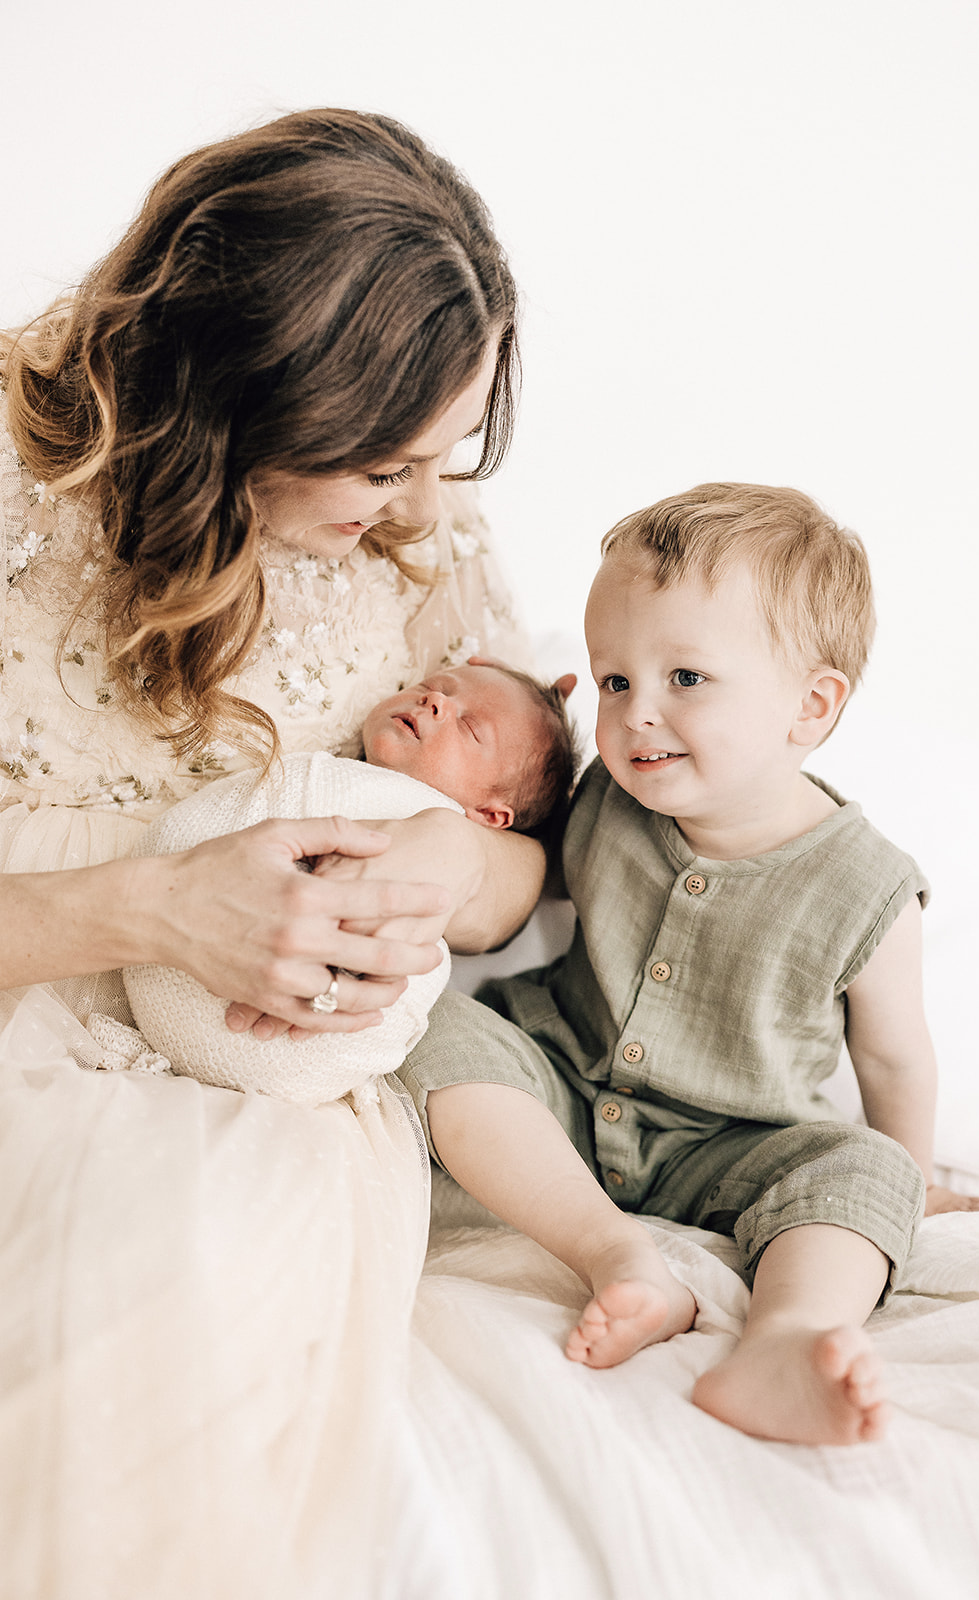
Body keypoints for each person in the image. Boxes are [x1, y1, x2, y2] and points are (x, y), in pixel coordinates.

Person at [0, 108, 547, 1596]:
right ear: (232, 401)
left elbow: (527, 848)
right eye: (382, 466)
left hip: (267, 1087)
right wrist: (155, 911)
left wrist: (448, 863)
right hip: (29, 1010)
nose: (426, 511)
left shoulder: (428, 541)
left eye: (446, 457)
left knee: (199, 1254)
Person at [398, 481, 979, 1451]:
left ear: (809, 704)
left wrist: (910, 1178)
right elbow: (499, 860)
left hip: (733, 1144)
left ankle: (787, 1338)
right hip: (563, 1082)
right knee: (433, 1023)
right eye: (614, 681)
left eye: (685, 678)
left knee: (861, 1169)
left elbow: (892, 1062)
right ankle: (612, 1250)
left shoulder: (864, 888)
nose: (636, 715)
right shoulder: (603, 799)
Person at [120, 664, 577, 1105]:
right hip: (150, 931)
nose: (436, 700)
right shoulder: (328, 777)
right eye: (432, 684)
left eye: (472, 728)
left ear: (490, 817)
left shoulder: (429, 825)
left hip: (300, 1040)